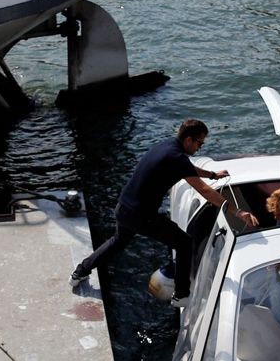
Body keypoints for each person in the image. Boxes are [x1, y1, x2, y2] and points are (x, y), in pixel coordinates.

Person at [69, 119, 258, 307]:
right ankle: (181, 295)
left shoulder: (167, 146)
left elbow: (188, 169)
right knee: (184, 243)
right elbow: (206, 191)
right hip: (142, 216)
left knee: (117, 241)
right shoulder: (177, 159)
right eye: (200, 143)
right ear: (189, 140)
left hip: (123, 208)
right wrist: (238, 212)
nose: (200, 147)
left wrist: (212, 175)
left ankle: (79, 272)